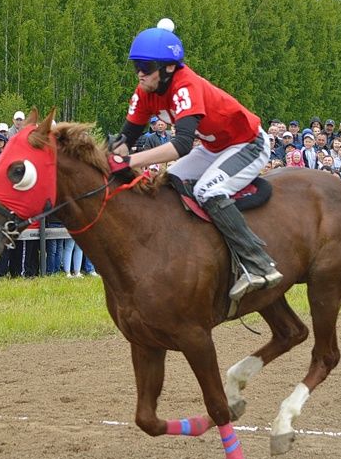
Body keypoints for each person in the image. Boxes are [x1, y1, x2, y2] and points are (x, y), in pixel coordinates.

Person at [111, 19, 281, 299]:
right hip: (216, 146)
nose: (139, 74)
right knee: (171, 180)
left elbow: (180, 145)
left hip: (248, 143)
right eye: (136, 66)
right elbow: (124, 139)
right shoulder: (145, 93)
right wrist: (111, 155)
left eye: (146, 68)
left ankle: (258, 263)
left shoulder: (185, 85)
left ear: (167, 69)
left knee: (207, 190)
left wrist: (130, 161)